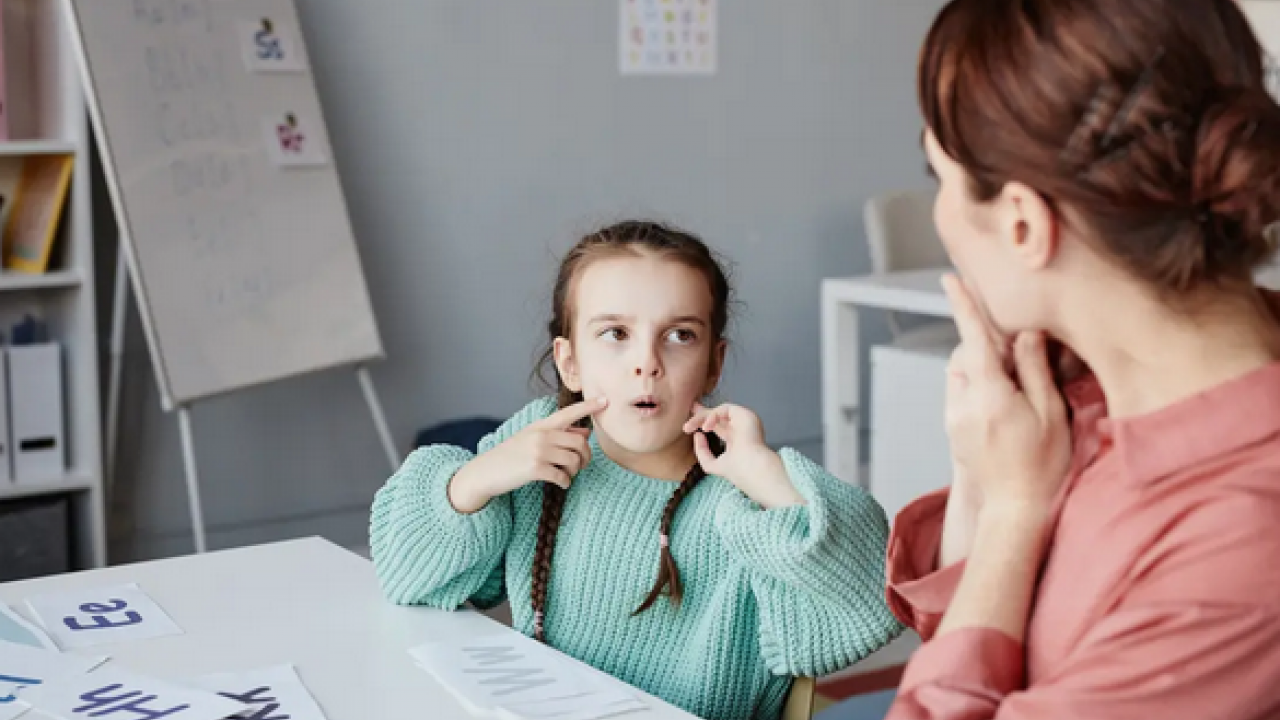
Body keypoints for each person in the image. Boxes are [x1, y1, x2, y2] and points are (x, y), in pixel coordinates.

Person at [884, 1, 1280, 717]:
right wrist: (982, 479)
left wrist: (1010, 513)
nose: (940, 211)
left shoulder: (1245, 540)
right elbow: (979, 640)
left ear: (1022, 224)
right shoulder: (1079, 389)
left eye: (936, 175)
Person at [371, 220, 902, 720]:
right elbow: (404, 575)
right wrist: (478, 478)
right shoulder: (542, 446)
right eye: (615, 333)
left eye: (679, 335)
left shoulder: (743, 491)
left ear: (714, 364)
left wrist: (768, 477)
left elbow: (868, 603)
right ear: (569, 361)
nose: (646, 362)